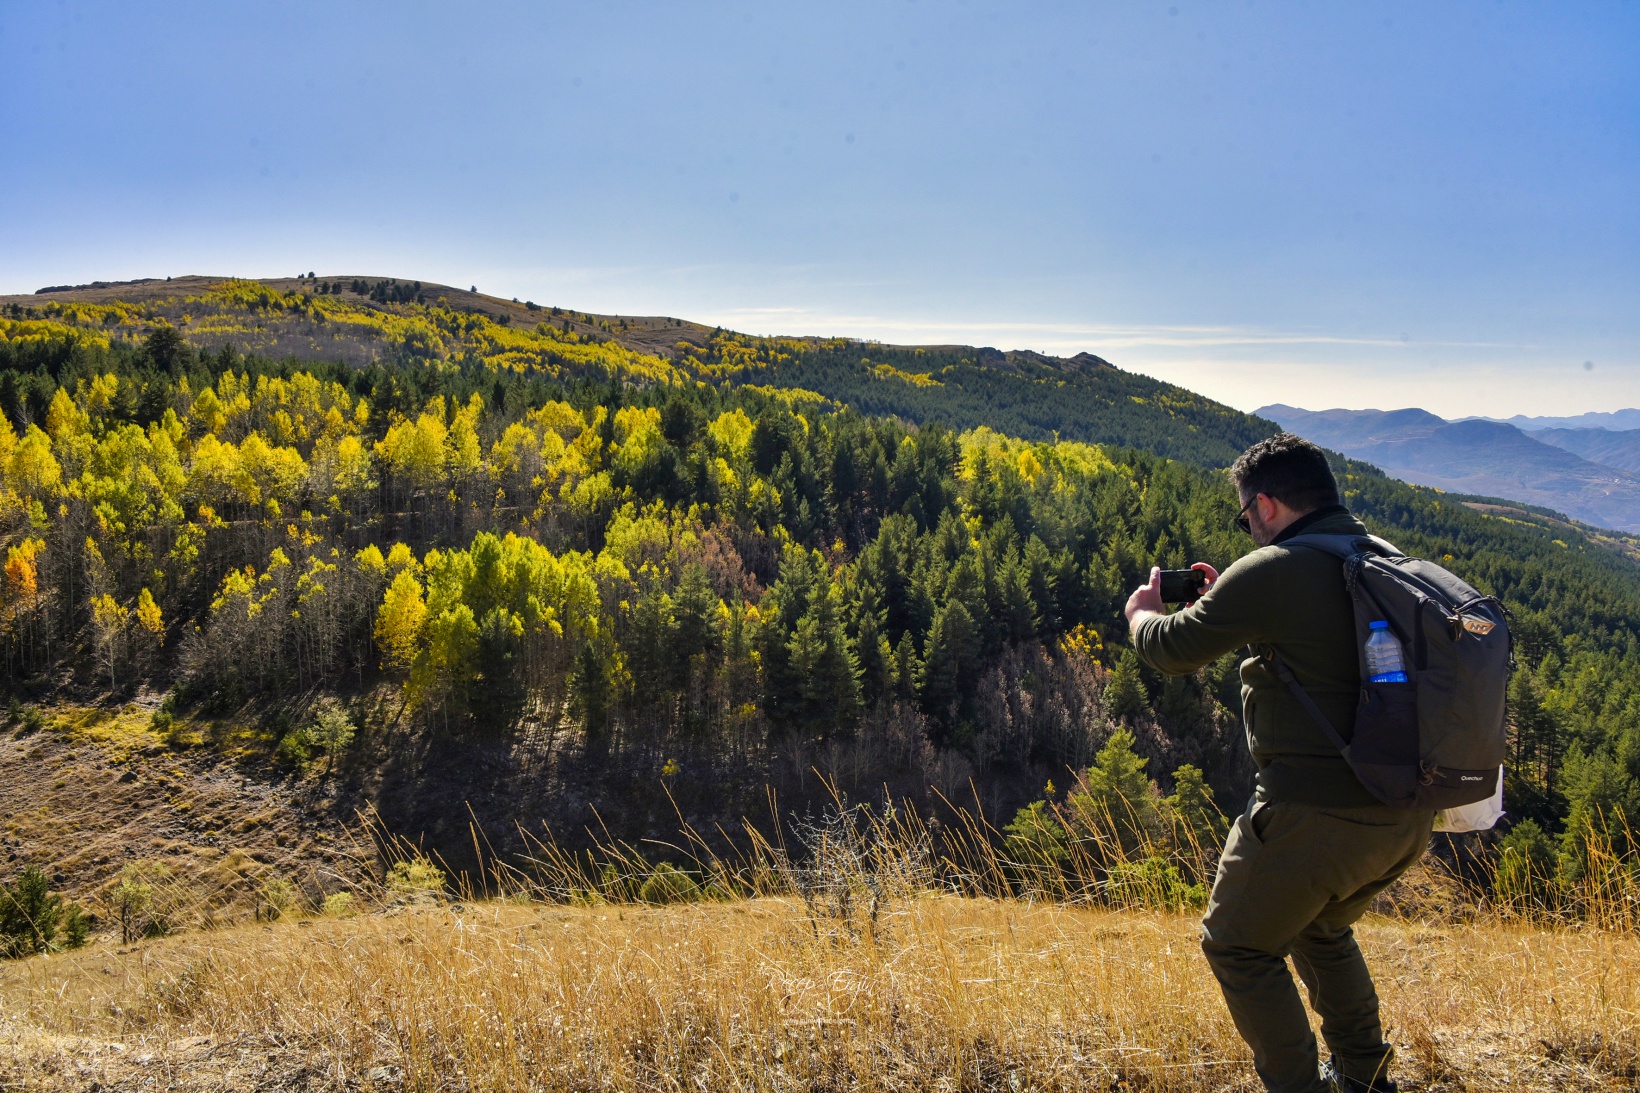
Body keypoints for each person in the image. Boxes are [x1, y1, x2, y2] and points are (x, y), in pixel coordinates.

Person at [1124, 433, 1433, 1093]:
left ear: (1264, 504)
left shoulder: (1273, 571)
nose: (1248, 528)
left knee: (1236, 942)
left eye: (1245, 516)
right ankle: (1366, 1078)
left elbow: (1171, 649)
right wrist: (1225, 596)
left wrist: (1140, 614)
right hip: (1404, 814)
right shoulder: (1381, 558)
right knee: (1320, 927)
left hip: (1313, 814)